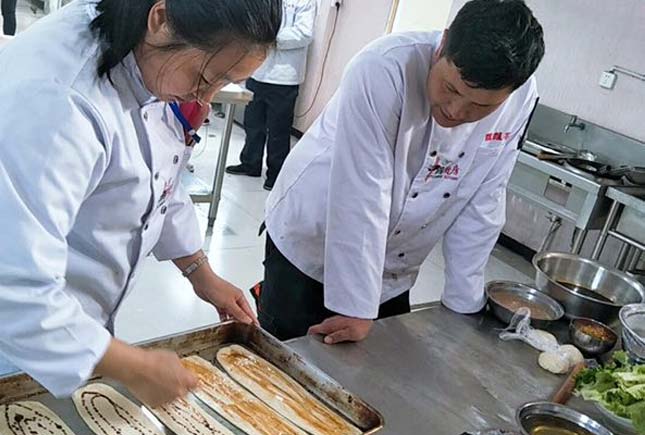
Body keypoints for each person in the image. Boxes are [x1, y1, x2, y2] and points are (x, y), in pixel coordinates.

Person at [0, 0, 281, 407]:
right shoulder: (59, 102)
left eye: (224, 84)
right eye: (205, 78)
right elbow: (12, 285)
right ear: (161, 18)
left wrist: (200, 272)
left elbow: (155, 174)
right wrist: (133, 367)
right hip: (20, 336)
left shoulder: (143, 51)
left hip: (74, 324)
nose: (205, 99)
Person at [258, 0, 545, 343]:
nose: (456, 111)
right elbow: (363, 192)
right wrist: (356, 306)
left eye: (480, 106)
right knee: (287, 350)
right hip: (312, 235)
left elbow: (484, 199)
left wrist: (463, 302)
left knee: (378, 359)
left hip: (395, 265)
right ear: (442, 45)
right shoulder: (383, 68)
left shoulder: (521, 100)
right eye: (451, 89)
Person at [226, 0, 316, 191]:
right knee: (252, 123)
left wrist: (270, 38)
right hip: (257, 70)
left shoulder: (305, 2)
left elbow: (304, 33)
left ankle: (276, 174)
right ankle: (250, 163)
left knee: (278, 130)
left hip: (284, 77)